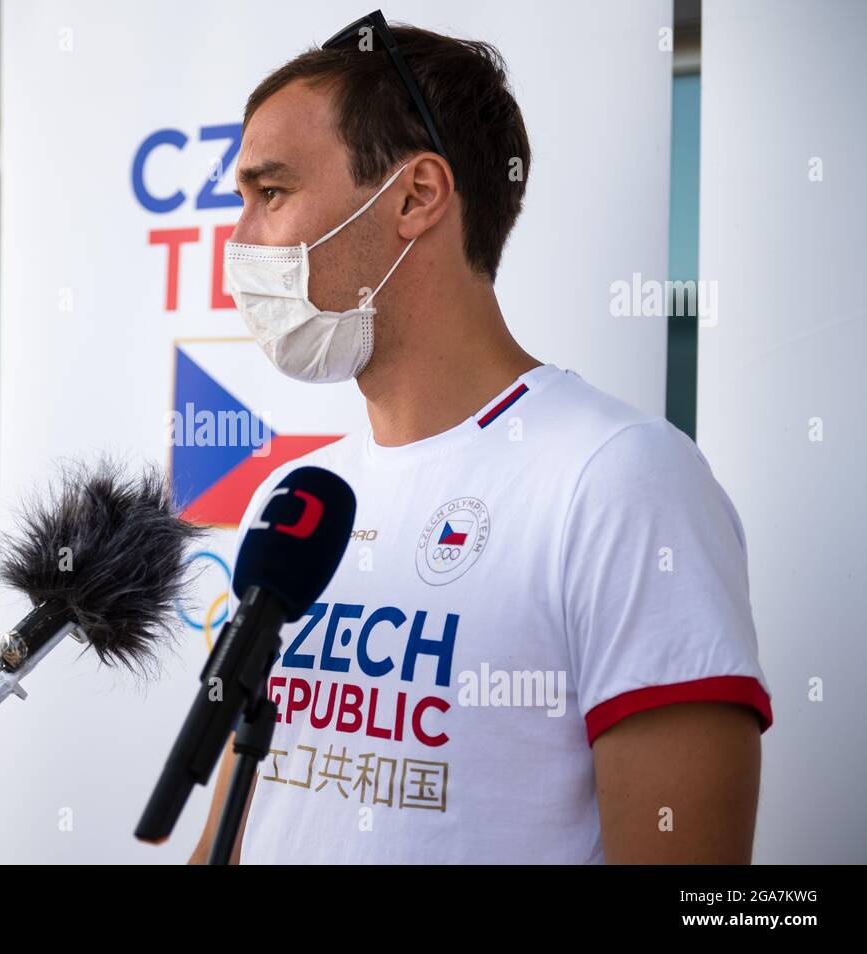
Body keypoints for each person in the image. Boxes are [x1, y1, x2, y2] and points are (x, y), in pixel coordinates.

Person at [191, 13, 771, 864]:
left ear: (417, 196)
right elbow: (241, 827)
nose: (239, 240)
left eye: (270, 194)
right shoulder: (296, 500)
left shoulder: (620, 478)